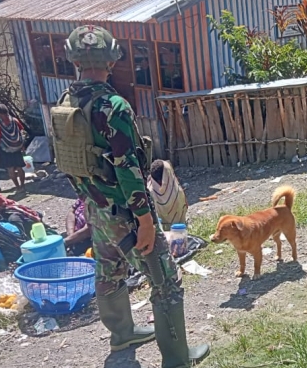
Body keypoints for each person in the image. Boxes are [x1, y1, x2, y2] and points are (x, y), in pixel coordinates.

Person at [54, 25, 208, 367]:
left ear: (74, 59)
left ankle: (122, 332)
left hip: (95, 208)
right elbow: (128, 170)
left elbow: (69, 161)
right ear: (112, 59)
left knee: (108, 269)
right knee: (166, 280)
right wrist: (146, 222)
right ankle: (177, 358)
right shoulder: (113, 106)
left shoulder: (66, 102)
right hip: (125, 214)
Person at [0, 104, 26, 193]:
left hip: (5, 150)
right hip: (17, 148)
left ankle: (18, 188)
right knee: (19, 168)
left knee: (10, 169)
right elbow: (20, 133)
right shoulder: (15, 120)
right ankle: (23, 186)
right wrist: (22, 145)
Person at [147, 160, 188, 232]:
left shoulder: (149, 189)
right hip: (180, 230)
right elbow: (185, 206)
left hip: (159, 233)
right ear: (167, 174)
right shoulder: (175, 190)